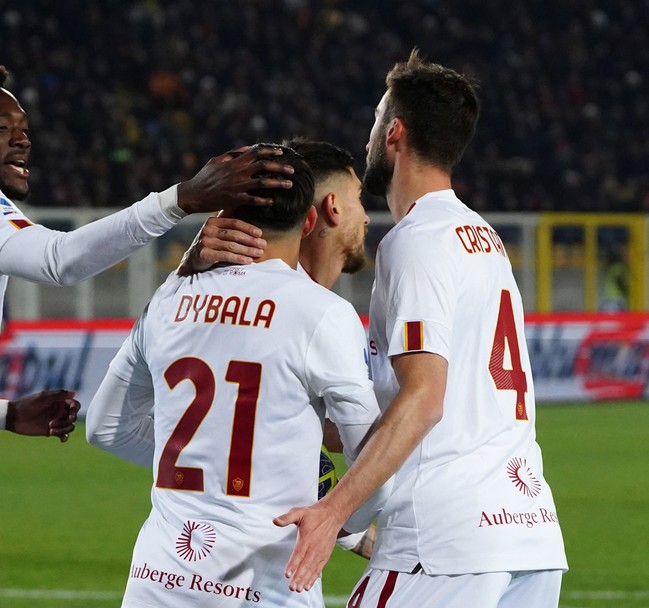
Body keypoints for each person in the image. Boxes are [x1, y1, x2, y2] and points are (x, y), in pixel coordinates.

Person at [0, 53, 294, 606]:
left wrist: (3, 412)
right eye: (0, 129)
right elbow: (59, 260)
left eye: (23, 130)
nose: (21, 142)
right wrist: (180, 199)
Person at [273, 50, 568, 606]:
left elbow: (425, 399)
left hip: (444, 543)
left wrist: (333, 512)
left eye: (375, 120)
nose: (369, 135)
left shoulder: (417, 240)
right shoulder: (483, 238)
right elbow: (432, 403)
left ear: (395, 133)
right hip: (528, 533)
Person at [85, 144, 380, 607]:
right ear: (308, 222)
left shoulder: (170, 297)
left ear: (223, 212)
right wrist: (344, 525)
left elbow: (104, 429)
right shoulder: (323, 315)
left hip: (157, 580)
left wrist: (212, 472)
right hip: (263, 584)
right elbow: (374, 463)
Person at [178, 138, 386, 557]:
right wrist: (345, 525)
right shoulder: (320, 315)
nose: (367, 217)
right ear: (330, 208)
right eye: (360, 199)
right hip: (256, 570)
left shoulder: (196, 296)